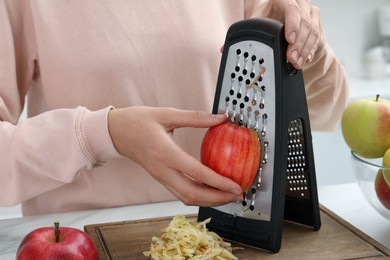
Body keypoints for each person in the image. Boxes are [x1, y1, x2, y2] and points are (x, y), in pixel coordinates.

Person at [0, 0, 348, 216]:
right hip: (85, 239)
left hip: (226, 234)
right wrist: (102, 134)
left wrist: (299, 48)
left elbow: (323, 110)